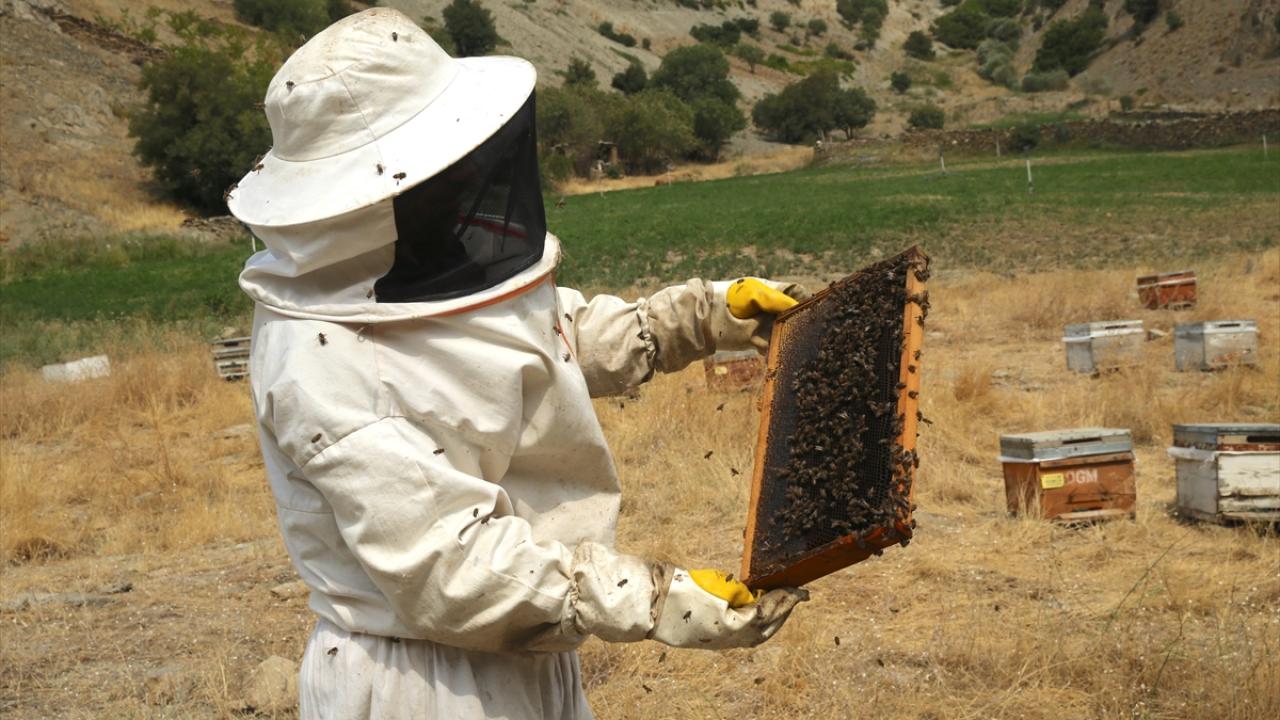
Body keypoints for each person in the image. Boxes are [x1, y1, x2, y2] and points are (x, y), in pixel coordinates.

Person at [227, 8, 808, 719]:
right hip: (419, 683)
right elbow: (454, 566)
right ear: (373, 195)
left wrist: (695, 316)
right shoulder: (318, 364)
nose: (461, 181)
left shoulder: (432, 265)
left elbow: (543, 336)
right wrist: (654, 600)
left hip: (528, 646)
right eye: (440, 167)